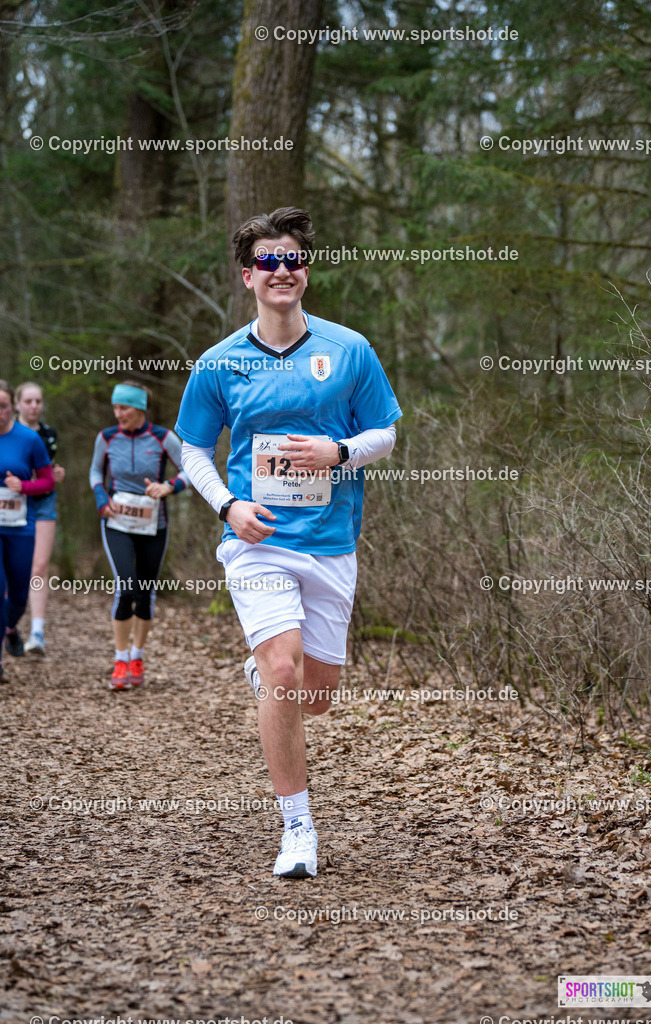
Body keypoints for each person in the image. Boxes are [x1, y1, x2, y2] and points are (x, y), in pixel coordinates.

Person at [175, 206, 402, 878]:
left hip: (331, 542)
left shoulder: (349, 349)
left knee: (317, 693)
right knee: (282, 671)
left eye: (293, 259)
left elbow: (383, 435)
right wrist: (227, 504)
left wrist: (337, 451)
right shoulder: (220, 364)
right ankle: (297, 829)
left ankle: (272, 676)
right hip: (257, 541)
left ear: (306, 270)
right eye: (268, 261)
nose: (282, 271)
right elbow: (191, 446)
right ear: (248, 276)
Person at [89, 382, 190, 691]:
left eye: (124, 408)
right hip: (117, 521)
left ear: (140, 408)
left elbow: (192, 470)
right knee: (127, 586)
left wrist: (169, 486)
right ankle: (120, 660)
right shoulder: (106, 438)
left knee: (145, 590)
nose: (117, 414)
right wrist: (101, 499)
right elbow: (95, 472)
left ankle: (137, 657)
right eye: (115, 407)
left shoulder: (162, 438)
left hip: (153, 524)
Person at [0, 380, 55, 680]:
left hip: (20, 525)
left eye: (4, 406)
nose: (0, 412)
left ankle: (11, 627)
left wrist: (24, 486)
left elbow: (47, 481)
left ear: (12, 407)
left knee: (20, 591)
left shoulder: (29, 439)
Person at [15, 382, 66, 655]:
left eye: (38, 401)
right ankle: (9, 626)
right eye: (28, 401)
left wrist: (56, 474)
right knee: (13, 566)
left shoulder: (49, 435)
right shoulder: (8, 431)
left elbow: (49, 468)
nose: (34, 406)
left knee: (40, 566)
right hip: (13, 504)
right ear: (17, 404)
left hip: (44, 502)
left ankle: (37, 632)